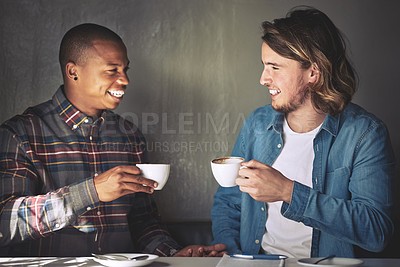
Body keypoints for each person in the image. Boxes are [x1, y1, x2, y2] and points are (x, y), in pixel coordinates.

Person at [0, 23, 226, 257]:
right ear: (73, 71)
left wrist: (172, 253)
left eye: (125, 69)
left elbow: (143, 221)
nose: (125, 80)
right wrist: (91, 192)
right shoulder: (20, 134)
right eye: (112, 70)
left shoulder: (129, 136)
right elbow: (4, 222)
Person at [211, 6, 396, 258]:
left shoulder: (365, 134)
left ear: (313, 72)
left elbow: (376, 231)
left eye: (275, 67)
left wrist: (287, 191)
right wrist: (232, 255)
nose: (264, 79)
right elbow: (228, 202)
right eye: (264, 66)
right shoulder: (257, 124)